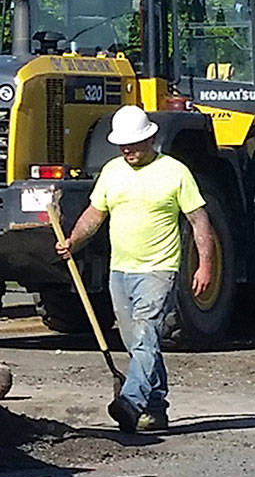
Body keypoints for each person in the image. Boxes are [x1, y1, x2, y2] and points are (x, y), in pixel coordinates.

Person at [55, 106, 215, 433]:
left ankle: (129, 402)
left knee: (146, 337)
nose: (127, 150)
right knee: (139, 343)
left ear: (151, 138)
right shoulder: (112, 172)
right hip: (121, 271)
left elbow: (200, 222)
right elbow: (94, 215)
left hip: (159, 269)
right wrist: (73, 241)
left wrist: (205, 265)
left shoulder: (175, 172)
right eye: (122, 145)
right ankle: (155, 410)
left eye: (134, 144)